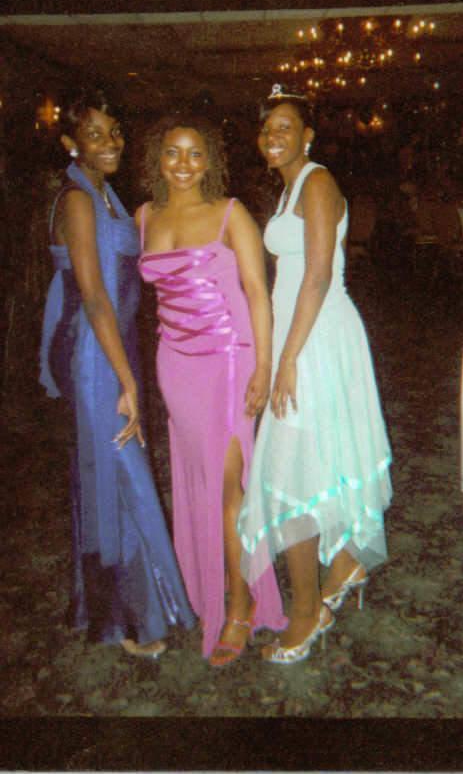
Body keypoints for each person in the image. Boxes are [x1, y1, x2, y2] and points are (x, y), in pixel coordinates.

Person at [237, 85, 393, 664]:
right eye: (266, 128)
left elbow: (319, 275)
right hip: (302, 335)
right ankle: (345, 561)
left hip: (316, 339)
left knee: (291, 471)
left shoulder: (318, 182)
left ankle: (308, 610)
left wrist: (288, 359)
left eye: (285, 126)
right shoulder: (289, 190)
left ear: (308, 135)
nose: (272, 136)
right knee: (309, 462)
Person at [39, 89, 194, 658]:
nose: (110, 143)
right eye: (95, 134)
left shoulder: (104, 193)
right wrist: (127, 380)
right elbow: (96, 297)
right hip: (93, 352)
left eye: (115, 132)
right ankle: (125, 618)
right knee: (118, 471)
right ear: (70, 143)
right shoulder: (79, 201)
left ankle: (116, 607)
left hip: (111, 345)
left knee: (112, 471)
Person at [137, 113, 286, 665]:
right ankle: (210, 586)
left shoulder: (230, 213)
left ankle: (241, 604)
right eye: (173, 152)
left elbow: (257, 291)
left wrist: (263, 366)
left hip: (228, 361)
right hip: (174, 365)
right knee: (198, 479)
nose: (183, 163)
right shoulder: (144, 216)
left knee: (229, 490)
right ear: (157, 159)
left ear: (210, 162)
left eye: (195, 153)